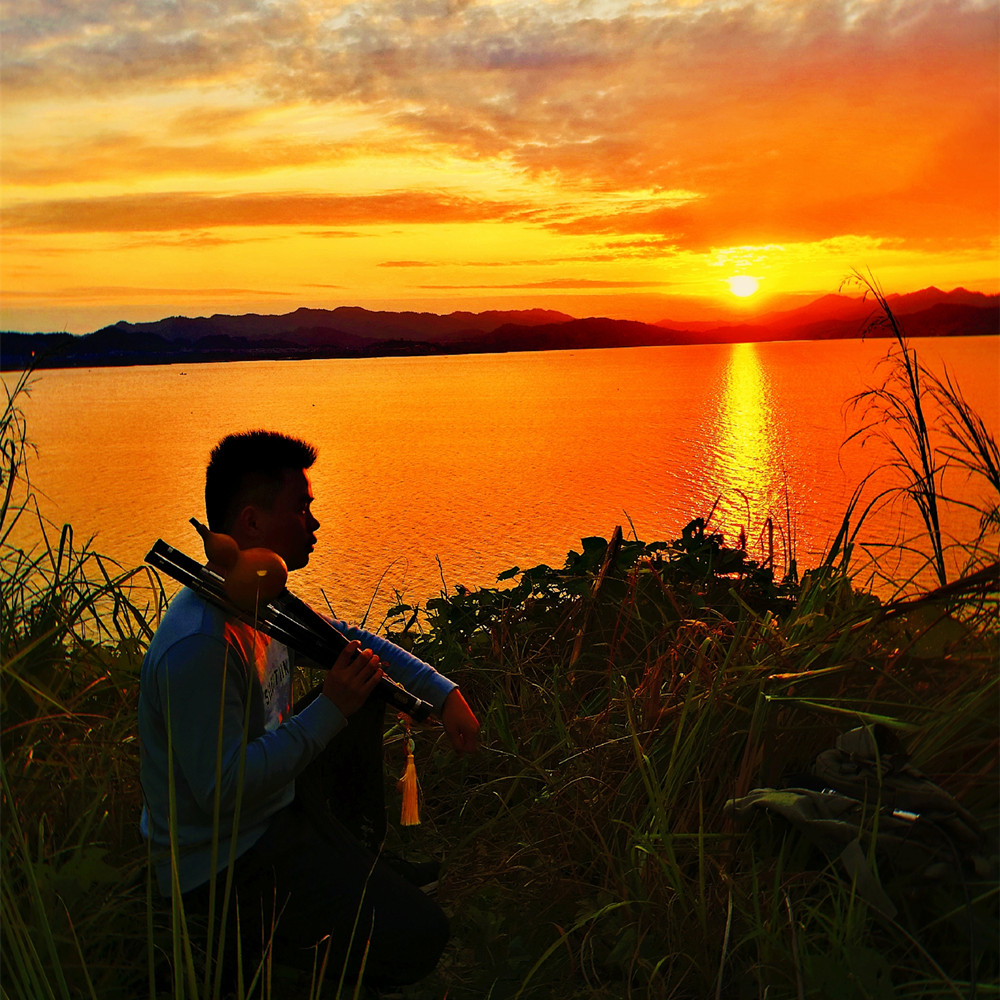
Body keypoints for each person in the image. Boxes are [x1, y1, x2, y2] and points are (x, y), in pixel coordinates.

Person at [138, 430, 480, 991]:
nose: (314, 522)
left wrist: (443, 695)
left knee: (359, 685)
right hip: (221, 866)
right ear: (250, 523)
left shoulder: (256, 597)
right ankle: (264, 957)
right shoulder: (200, 644)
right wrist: (329, 708)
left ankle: (357, 860)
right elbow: (220, 793)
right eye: (301, 508)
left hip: (277, 811)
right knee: (423, 938)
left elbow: (347, 640)